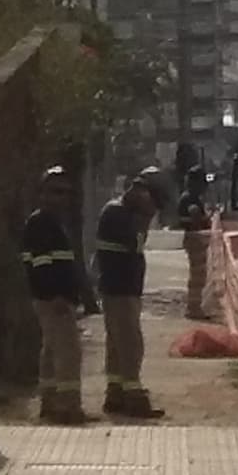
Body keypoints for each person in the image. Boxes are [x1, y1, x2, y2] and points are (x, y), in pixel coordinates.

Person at [18, 165, 87, 425]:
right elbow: (39, 263)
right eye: (56, 192)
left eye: (65, 192)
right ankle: (69, 406)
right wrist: (55, 294)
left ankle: (49, 401)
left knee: (50, 349)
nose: (62, 198)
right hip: (53, 299)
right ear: (42, 194)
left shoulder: (54, 223)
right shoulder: (41, 223)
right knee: (68, 351)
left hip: (53, 297)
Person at [91, 172, 162, 419]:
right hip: (120, 287)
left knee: (116, 343)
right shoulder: (119, 213)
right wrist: (145, 216)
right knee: (131, 343)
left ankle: (115, 392)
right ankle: (134, 396)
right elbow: (134, 243)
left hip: (119, 287)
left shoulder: (118, 211)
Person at [175, 153, 217, 314]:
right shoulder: (189, 198)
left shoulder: (192, 198)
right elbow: (194, 218)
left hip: (196, 239)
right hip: (195, 239)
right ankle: (193, 308)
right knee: (198, 276)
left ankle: (195, 306)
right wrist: (207, 217)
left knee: (199, 274)